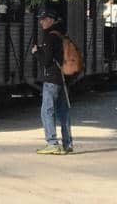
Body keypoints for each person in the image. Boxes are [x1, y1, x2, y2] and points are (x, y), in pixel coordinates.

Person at [31, 9, 73, 155]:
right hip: (63, 78)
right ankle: (68, 144)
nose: (41, 22)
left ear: (51, 19)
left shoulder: (49, 37)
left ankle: (52, 143)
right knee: (63, 112)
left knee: (46, 111)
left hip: (51, 78)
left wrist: (36, 52)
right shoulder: (62, 34)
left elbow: (47, 61)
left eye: (43, 19)